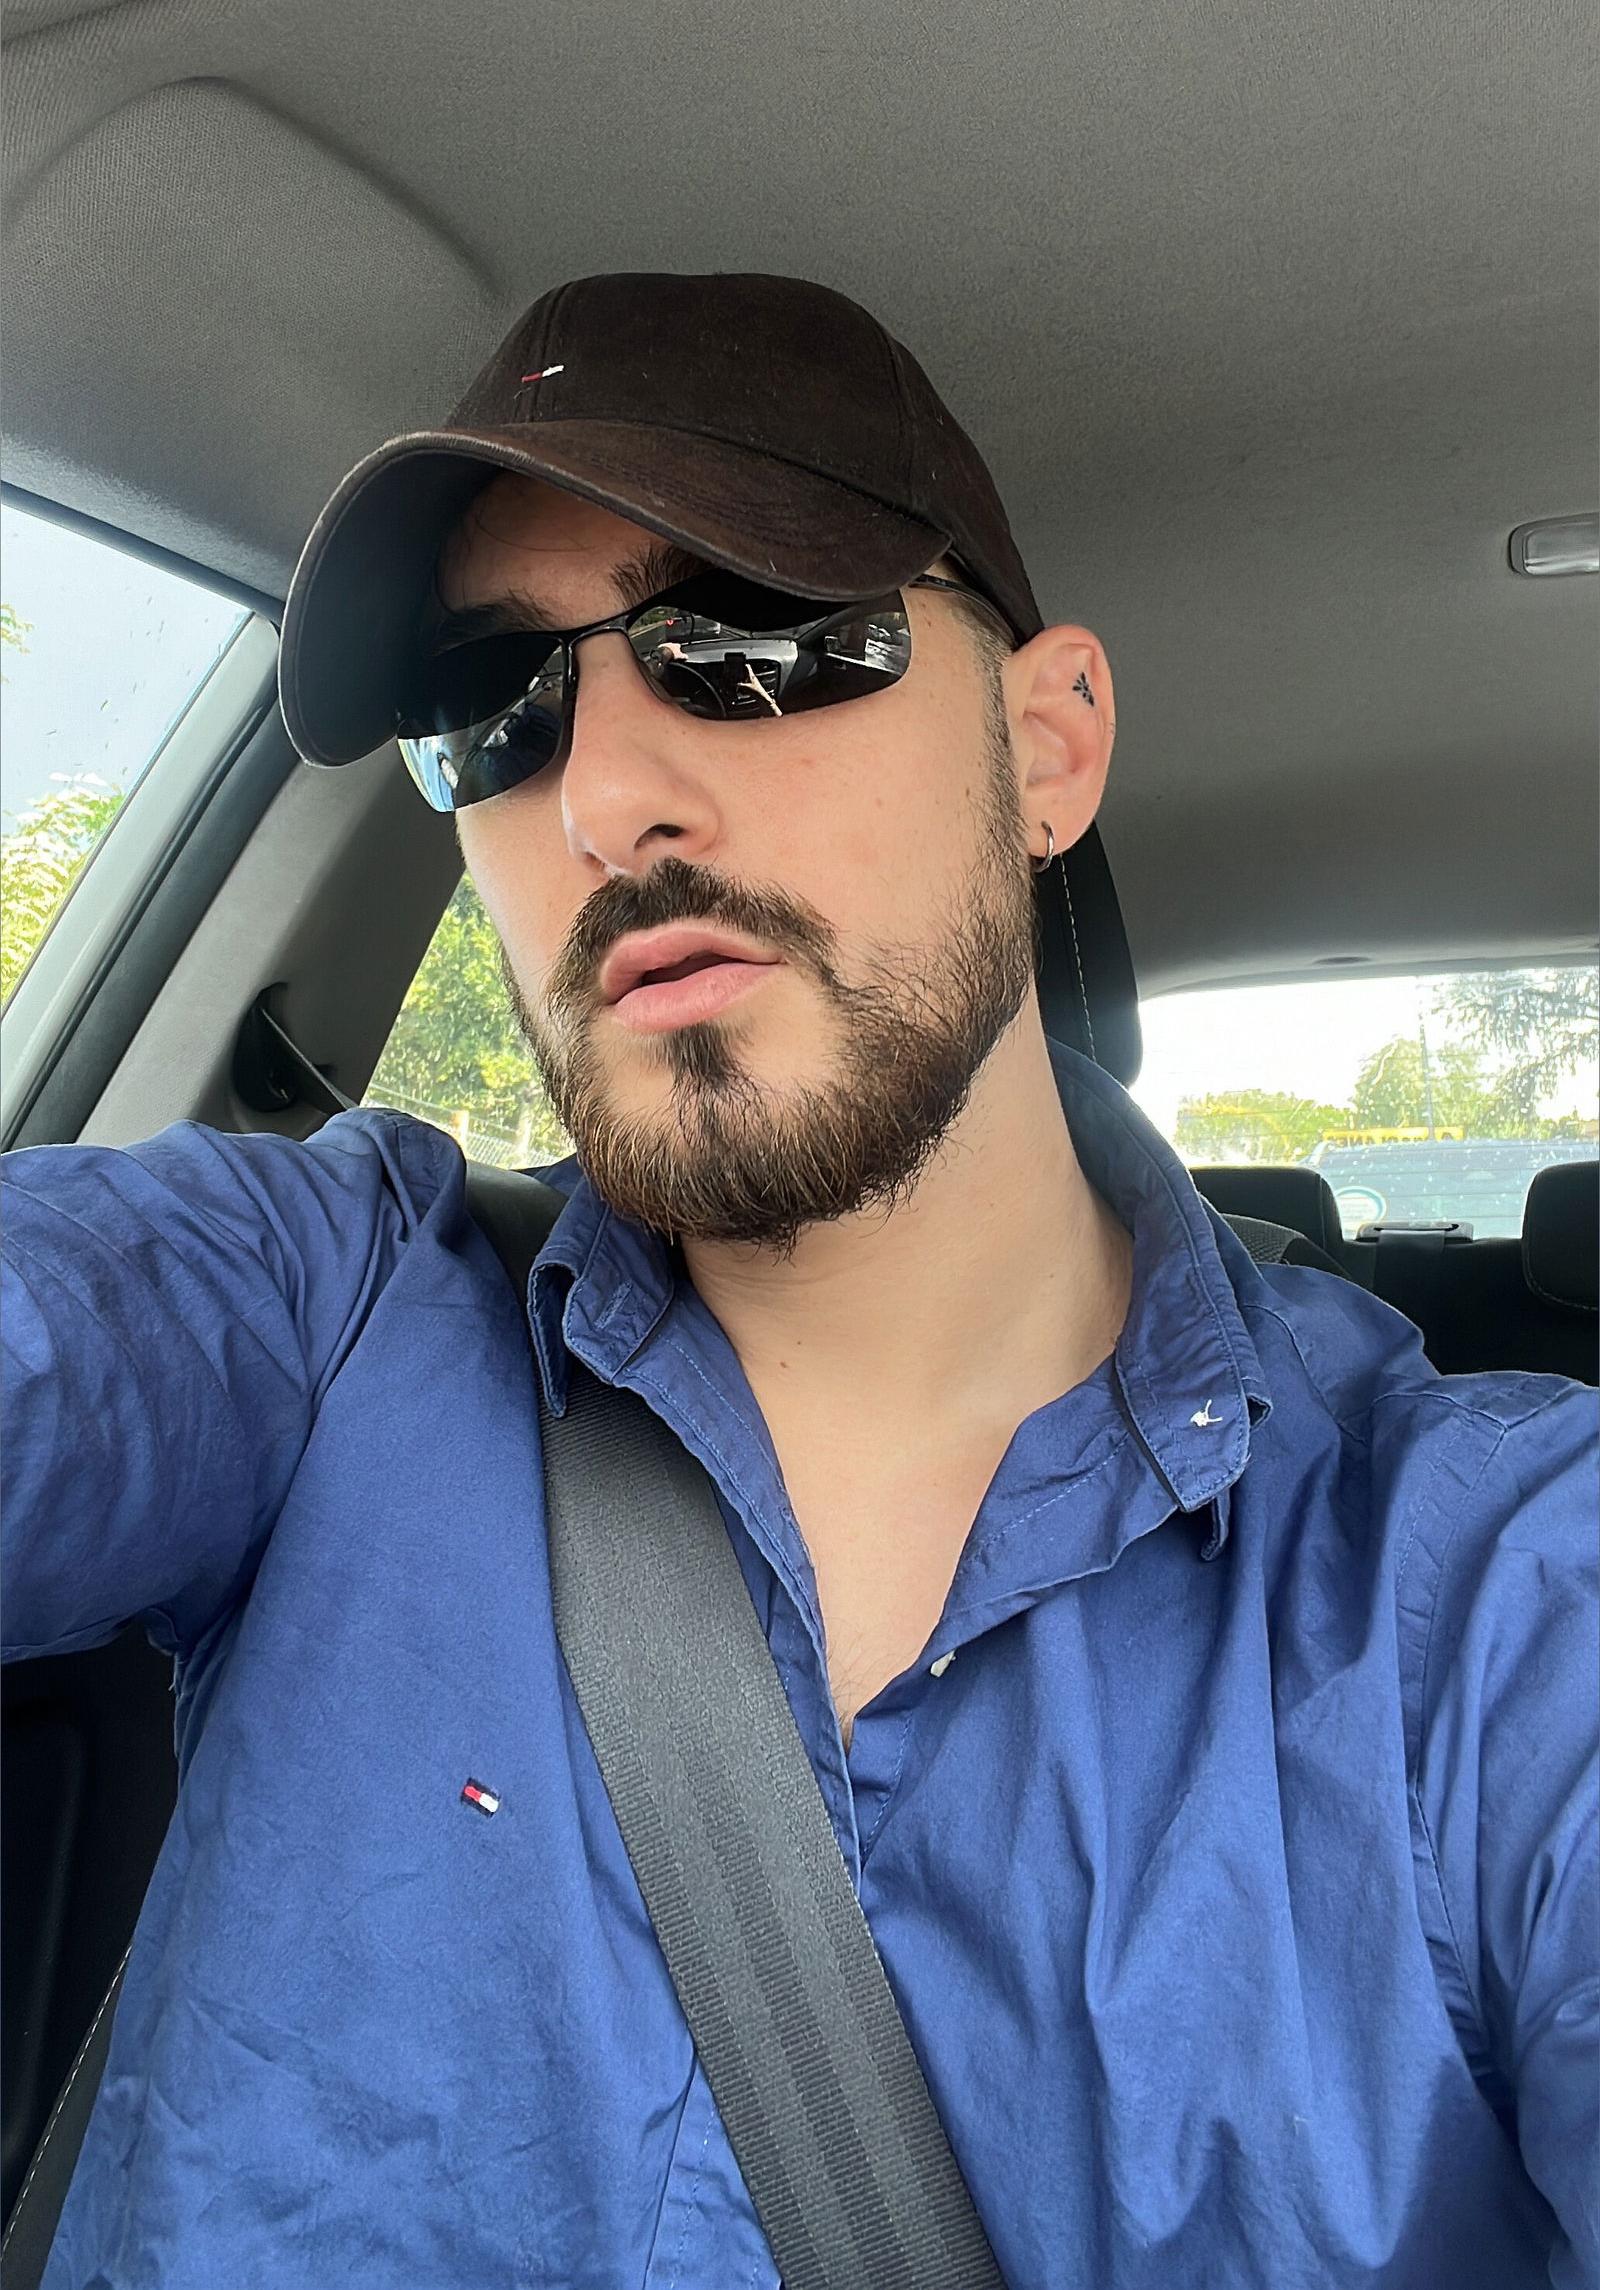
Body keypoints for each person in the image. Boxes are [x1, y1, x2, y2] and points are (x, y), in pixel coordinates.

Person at [4, 271, 1594, 2290]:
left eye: (747, 635)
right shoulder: (324, 1314)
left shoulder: (1492, 1600)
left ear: (1047, 745)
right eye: (498, 706)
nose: (602, 799)